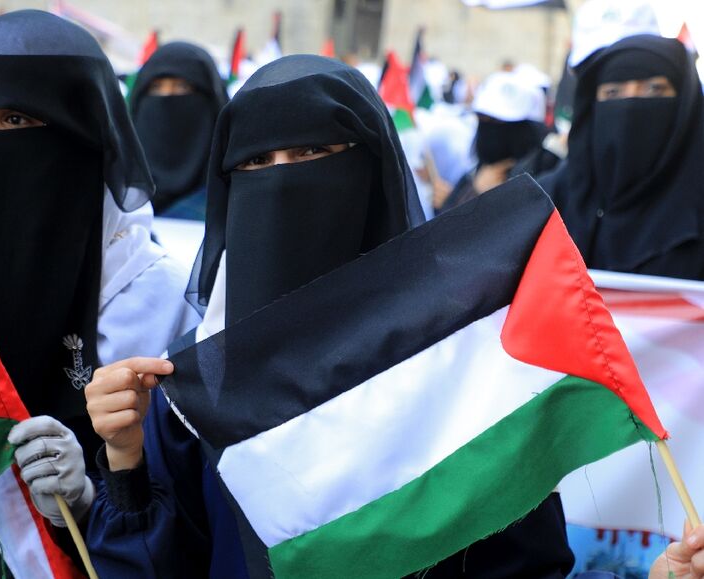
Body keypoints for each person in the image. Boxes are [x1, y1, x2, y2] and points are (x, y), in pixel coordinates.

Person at [80, 55, 574, 578]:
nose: (280, 180)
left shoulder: (460, 364)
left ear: (372, 169)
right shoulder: (196, 383)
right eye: (254, 162)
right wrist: (126, 460)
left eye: (312, 151)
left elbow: (523, 563)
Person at [0, 9, 200, 576]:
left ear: (83, 135)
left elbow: (195, 516)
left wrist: (91, 495)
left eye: (14, 120)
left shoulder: (159, 299)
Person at [538, 34, 704, 280]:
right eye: (613, 92)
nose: (630, 104)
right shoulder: (550, 197)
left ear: (685, 104)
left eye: (653, 89)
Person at [129, 41, 228, 220]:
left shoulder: (237, 200)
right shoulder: (111, 195)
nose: (167, 98)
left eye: (183, 87)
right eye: (156, 87)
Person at [437, 70, 555, 214]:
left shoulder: (546, 175)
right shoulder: (475, 172)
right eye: (482, 118)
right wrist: (473, 193)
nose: (489, 129)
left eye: (497, 122)